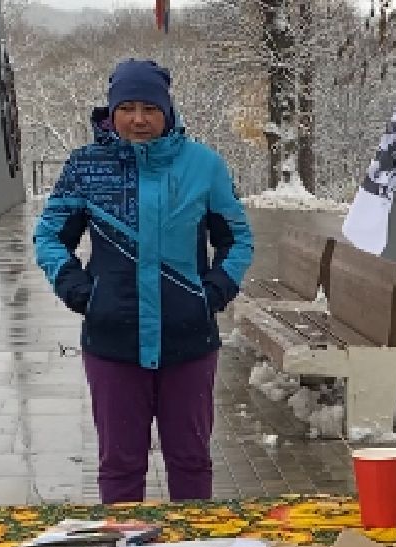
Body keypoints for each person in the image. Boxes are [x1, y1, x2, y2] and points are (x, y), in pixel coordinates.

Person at [34, 59, 253, 504]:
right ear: (110, 112)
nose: (138, 119)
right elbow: (50, 236)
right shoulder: (86, 167)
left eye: (150, 108)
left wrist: (211, 293)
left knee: (191, 461)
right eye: (127, 107)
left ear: (167, 111)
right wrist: (79, 290)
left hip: (188, 341)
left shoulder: (204, 166)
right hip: (113, 342)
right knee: (120, 465)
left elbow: (237, 239)